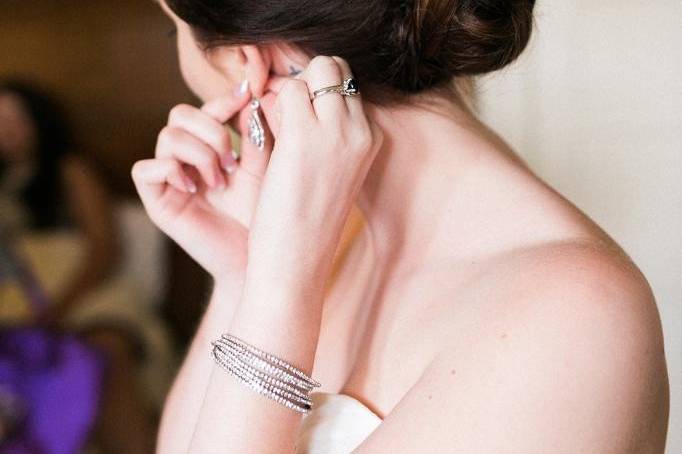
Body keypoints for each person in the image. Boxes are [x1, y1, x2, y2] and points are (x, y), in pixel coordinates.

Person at [133, 0, 670, 452]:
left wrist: (277, 292)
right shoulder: (306, 251)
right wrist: (242, 278)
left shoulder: (571, 315)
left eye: (170, 29)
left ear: (247, 60)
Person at [0, 81, 165, 453]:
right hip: (22, 300)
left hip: (88, 290)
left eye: (15, 119)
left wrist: (57, 308)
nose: (6, 131)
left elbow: (104, 248)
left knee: (103, 351)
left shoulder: (71, 170)